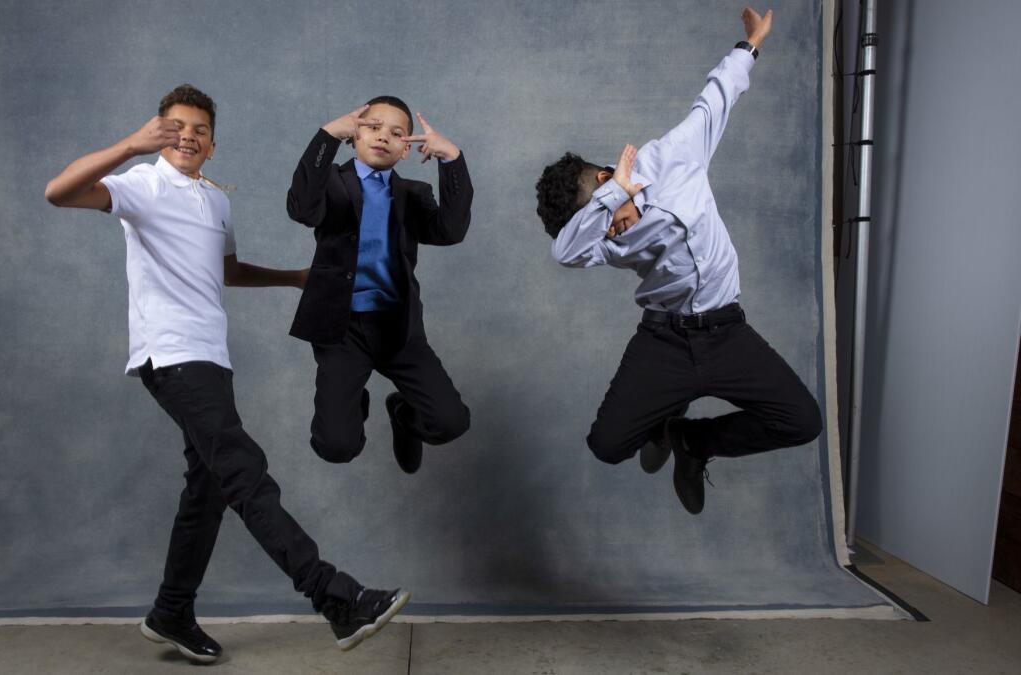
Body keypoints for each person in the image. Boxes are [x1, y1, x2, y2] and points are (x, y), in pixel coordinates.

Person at [44, 84, 409, 662]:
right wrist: (133, 145)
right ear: (159, 132)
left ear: (213, 145)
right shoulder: (141, 184)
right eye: (175, 127)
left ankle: (171, 612)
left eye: (200, 130)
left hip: (211, 356)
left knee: (208, 489)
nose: (187, 136)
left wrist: (292, 277)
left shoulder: (214, 199)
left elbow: (227, 272)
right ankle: (336, 597)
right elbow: (57, 192)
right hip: (171, 355)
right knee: (245, 473)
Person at [534, 8, 822, 515]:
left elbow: (716, 99)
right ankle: (665, 420)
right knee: (606, 446)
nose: (612, 233)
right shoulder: (600, 234)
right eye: (603, 228)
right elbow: (565, 251)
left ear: (607, 178)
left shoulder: (672, 157)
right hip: (663, 341)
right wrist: (608, 208)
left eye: (610, 219)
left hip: (727, 333)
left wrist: (750, 44)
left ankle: (692, 441)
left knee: (801, 421)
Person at [286, 96, 473, 474]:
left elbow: (450, 231)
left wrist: (452, 159)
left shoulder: (413, 195)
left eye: (397, 133)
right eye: (372, 127)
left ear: (407, 149)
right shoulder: (333, 185)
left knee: (451, 422)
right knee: (336, 446)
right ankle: (352, 404)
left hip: (398, 329)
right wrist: (325, 137)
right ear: (354, 135)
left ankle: (403, 415)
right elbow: (301, 208)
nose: (383, 136)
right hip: (341, 330)